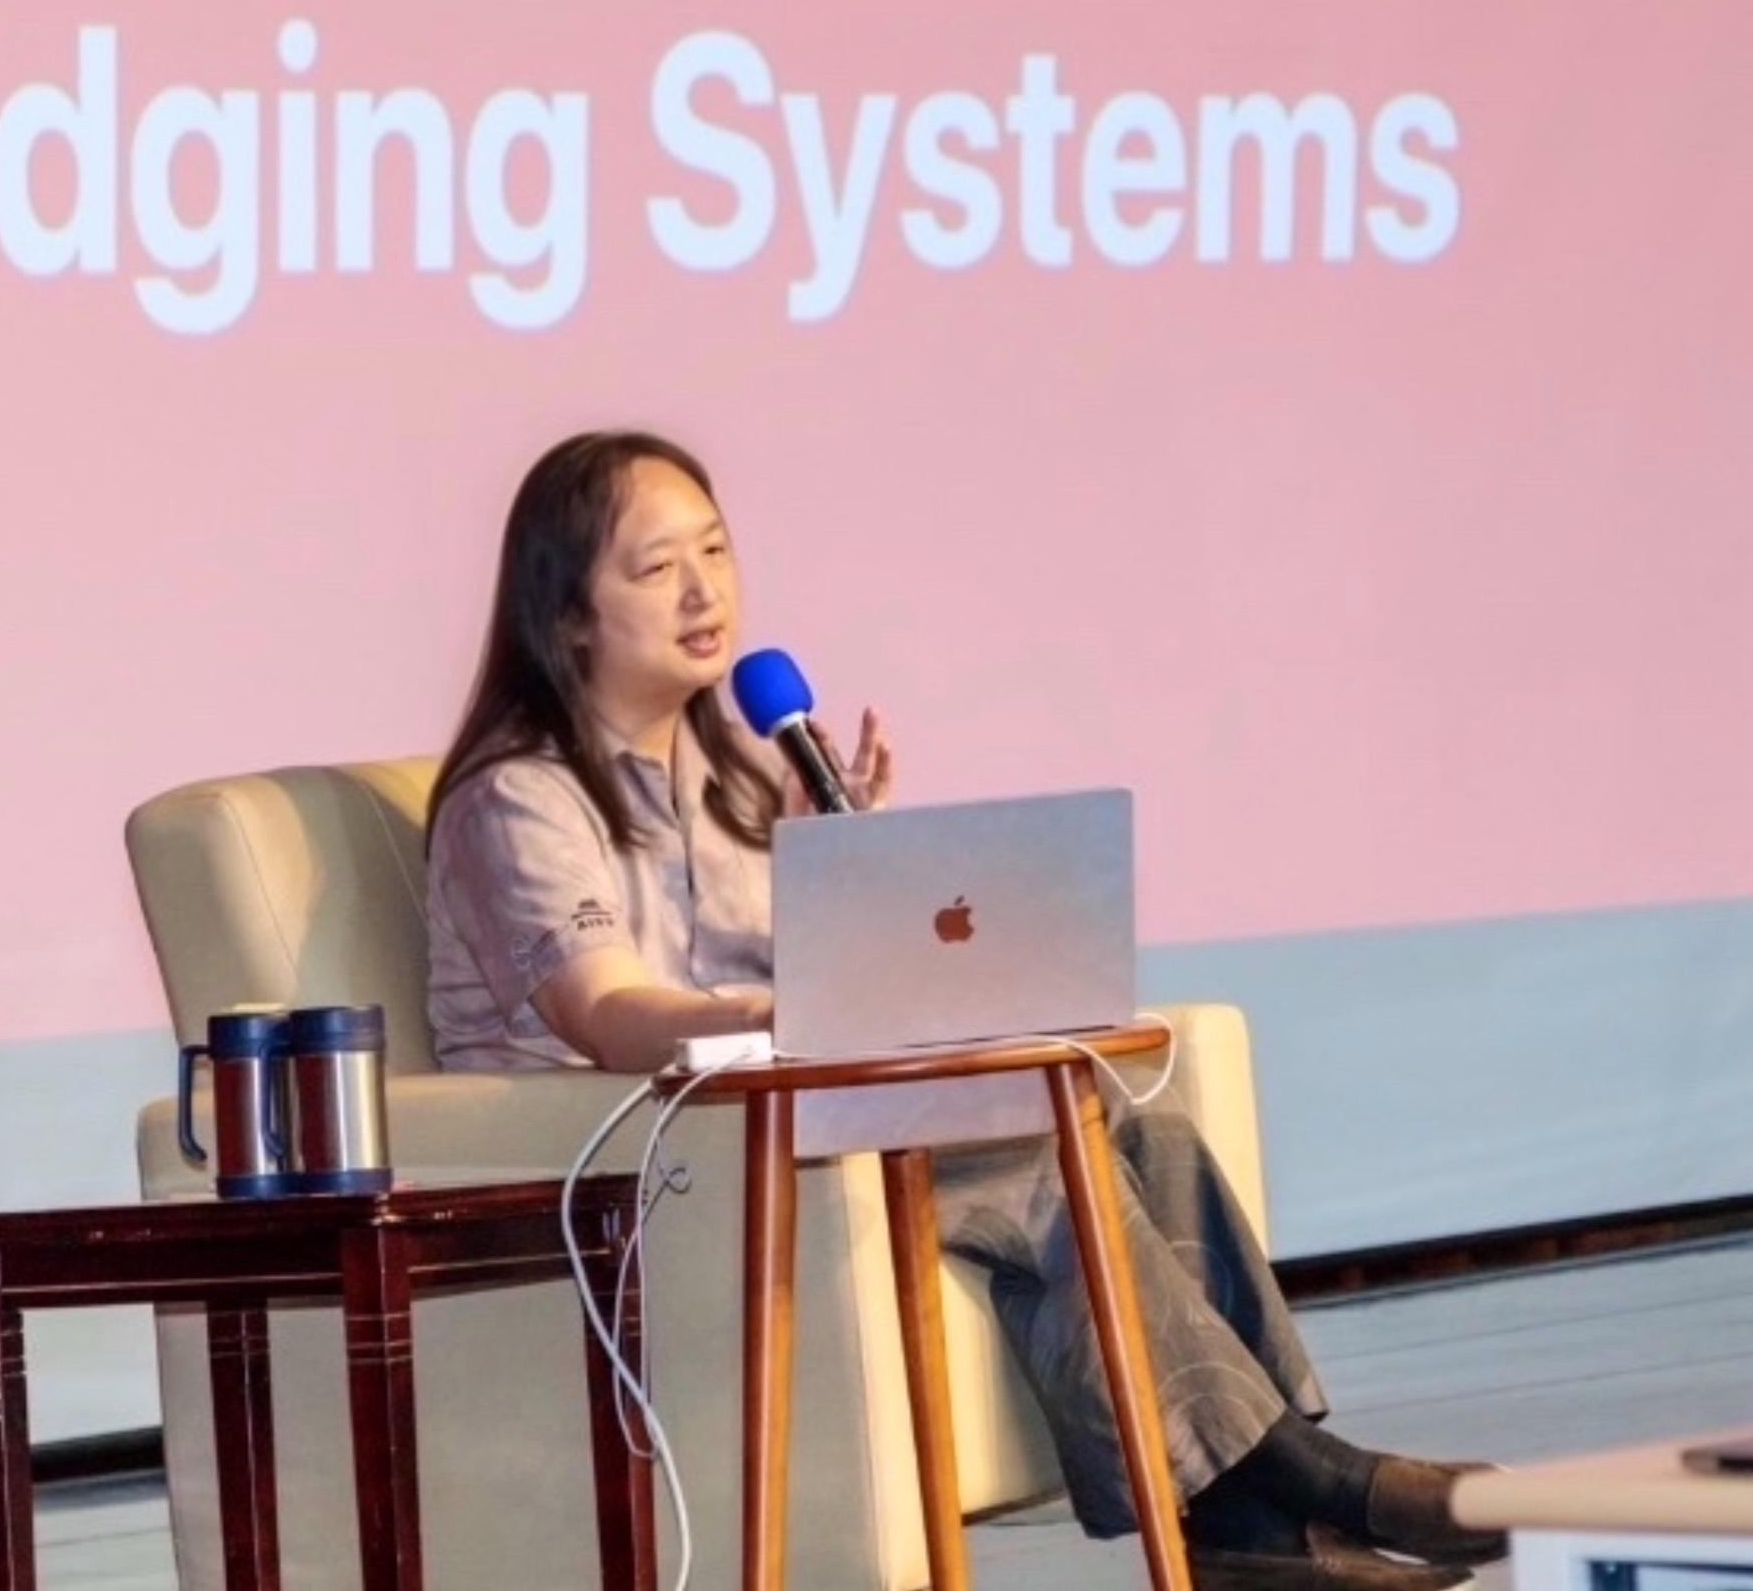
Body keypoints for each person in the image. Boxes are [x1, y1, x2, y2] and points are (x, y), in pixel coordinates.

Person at [425, 431, 1504, 1591]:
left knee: (1147, 1136)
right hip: (647, 1165)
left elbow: (843, 988)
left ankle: (1254, 1538)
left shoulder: (743, 780)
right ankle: (1315, 1480)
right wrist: (792, 1008)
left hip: (794, 1134)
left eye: (718, 551)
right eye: (657, 568)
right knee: (1052, 1168)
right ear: (570, 612)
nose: (707, 591)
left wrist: (858, 878)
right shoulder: (519, 797)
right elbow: (603, 1010)